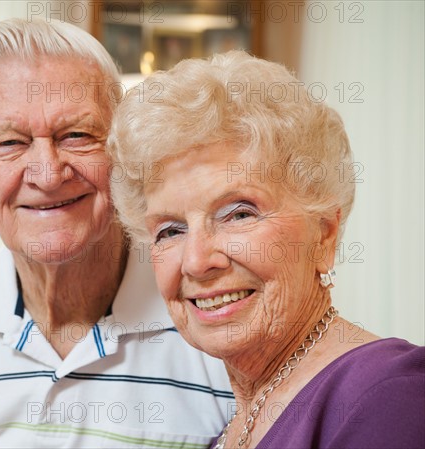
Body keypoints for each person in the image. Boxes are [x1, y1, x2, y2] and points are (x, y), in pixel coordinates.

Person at [0, 19, 234, 448]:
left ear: (124, 150)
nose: (48, 174)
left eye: (76, 135)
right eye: (9, 143)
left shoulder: (211, 319)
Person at [107, 50, 425, 449]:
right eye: (171, 231)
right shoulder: (233, 426)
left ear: (323, 235)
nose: (197, 261)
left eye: (239, 214)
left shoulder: (389, 399)